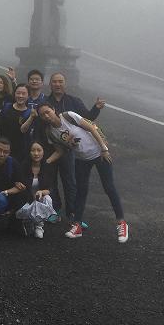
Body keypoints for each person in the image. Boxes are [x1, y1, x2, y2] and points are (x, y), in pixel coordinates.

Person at [36, 104, 128, 243]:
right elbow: (60, 151)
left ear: (53, 110)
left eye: (47, 112)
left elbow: (91, 128)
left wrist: (104, 149)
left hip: (99, 154)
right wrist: (47, 161)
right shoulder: (50, 132)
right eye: (42, 115)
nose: (46, 116)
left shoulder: (68, 116)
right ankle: (77, 225)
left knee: (109, 187)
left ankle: (121, 223)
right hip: (81, 160)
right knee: (81, 191)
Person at [44, 71, 104, 223]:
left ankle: (72, 213)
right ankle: (55, 210)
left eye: (60, 81)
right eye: (54, 81)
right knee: (51, 181)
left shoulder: (73, 101)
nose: (57, 84)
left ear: (65, 84)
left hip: (70, 150)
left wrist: (96, 108)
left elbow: (87, 118)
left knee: (70, 181)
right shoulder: (45, 102)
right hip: (51, 147)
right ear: (50, 84)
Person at [13, 142, 56, 239]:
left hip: (39, 198)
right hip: (25, 198)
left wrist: (41, 192)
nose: (36, 153)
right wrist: (17, 183)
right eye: (33, 150)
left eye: (39, 150)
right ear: (29, 152)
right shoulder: (23, 166)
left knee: (47, 198)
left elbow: (50, 188)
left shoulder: (48, 167)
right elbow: (16, 182)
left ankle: (39, 226)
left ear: (43, 152)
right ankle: (27, 221)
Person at [0, 82, 36, 163]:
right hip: (3, 148)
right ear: (14, 94)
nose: (20, 96)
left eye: (23, 94)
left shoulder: (29, 113)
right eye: (18, 93)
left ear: (28, 96)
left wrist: (31, 117)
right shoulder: (6, 106)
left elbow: (23, 130)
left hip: (20, 150)